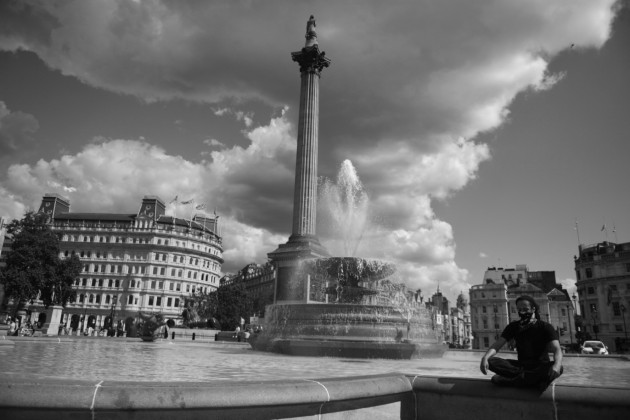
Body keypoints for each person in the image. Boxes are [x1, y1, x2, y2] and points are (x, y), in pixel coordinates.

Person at [480, 295, 563, 389]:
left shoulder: (545, 327)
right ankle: (530, 381)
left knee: (559, 367)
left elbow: (557, 349)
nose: (522, 312)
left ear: (533, 309)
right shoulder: (513, 327)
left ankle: (515, 380)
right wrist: (485, 357)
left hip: (539, 366)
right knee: (491, 361)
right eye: (519, 309)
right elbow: (497, 345)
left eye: (525, 309)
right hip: (520, 367)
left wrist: (557, 365)